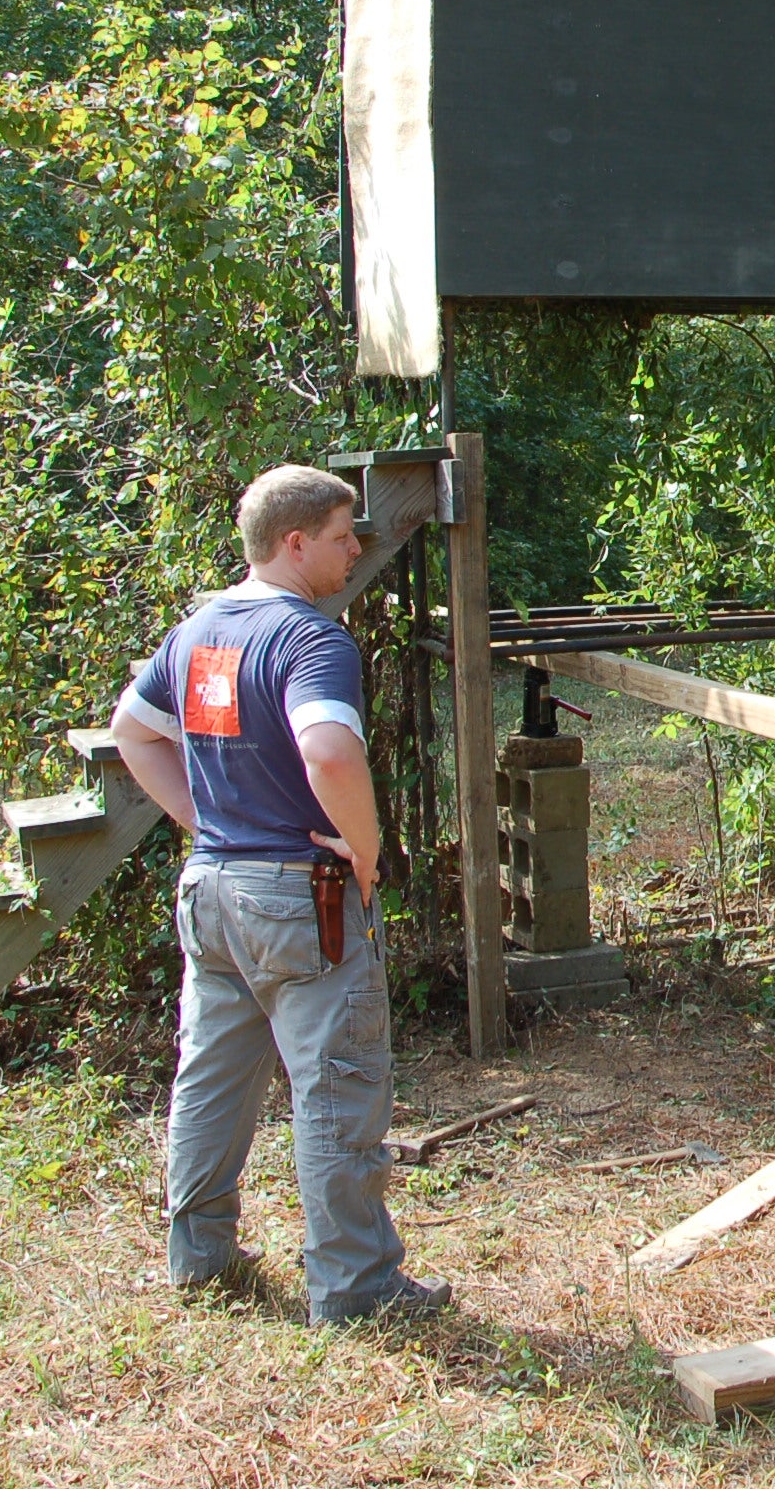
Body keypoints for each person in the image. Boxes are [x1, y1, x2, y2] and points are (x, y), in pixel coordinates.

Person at [108, 463, 448, 1324]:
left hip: (213, 892)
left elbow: (131, 732)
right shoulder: (310, 640)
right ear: (294, 543)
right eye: (341, 538)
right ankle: (357, 1287)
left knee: (212, 1081)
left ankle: (201, 1257)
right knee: (337, 1083)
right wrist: (366, 851)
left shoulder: (200, 632)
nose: (352, 551)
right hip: (303, 897)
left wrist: (204, 823)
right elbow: (329, 751)